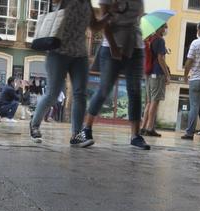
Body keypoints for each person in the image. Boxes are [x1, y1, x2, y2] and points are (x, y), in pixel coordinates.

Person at [81, 0, 152, 150]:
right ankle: (86, 128)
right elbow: (103, 22)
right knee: (104, 89)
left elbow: (138, 18)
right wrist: (113, 46)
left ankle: (135, 135)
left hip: (135, 46)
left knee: (135, 90)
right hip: (112, 46)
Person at [29, 0, 94, 146]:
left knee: (80, 93)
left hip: (80, 54)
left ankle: (76, 135)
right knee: (53, 94)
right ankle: (34, 124)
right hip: (58, 52)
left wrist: (109, 15)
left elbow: (94, 25)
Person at [140, 25, 170, 138]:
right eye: (165, 27)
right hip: (157, 74)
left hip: (148, 73)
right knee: (155, 101)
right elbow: (160, 59)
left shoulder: (150, 39)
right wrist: (167, 74)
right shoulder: (160, 40)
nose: (166, 29)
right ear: (160, 28)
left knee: (149, 101)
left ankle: (143, 127)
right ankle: (150, 128)